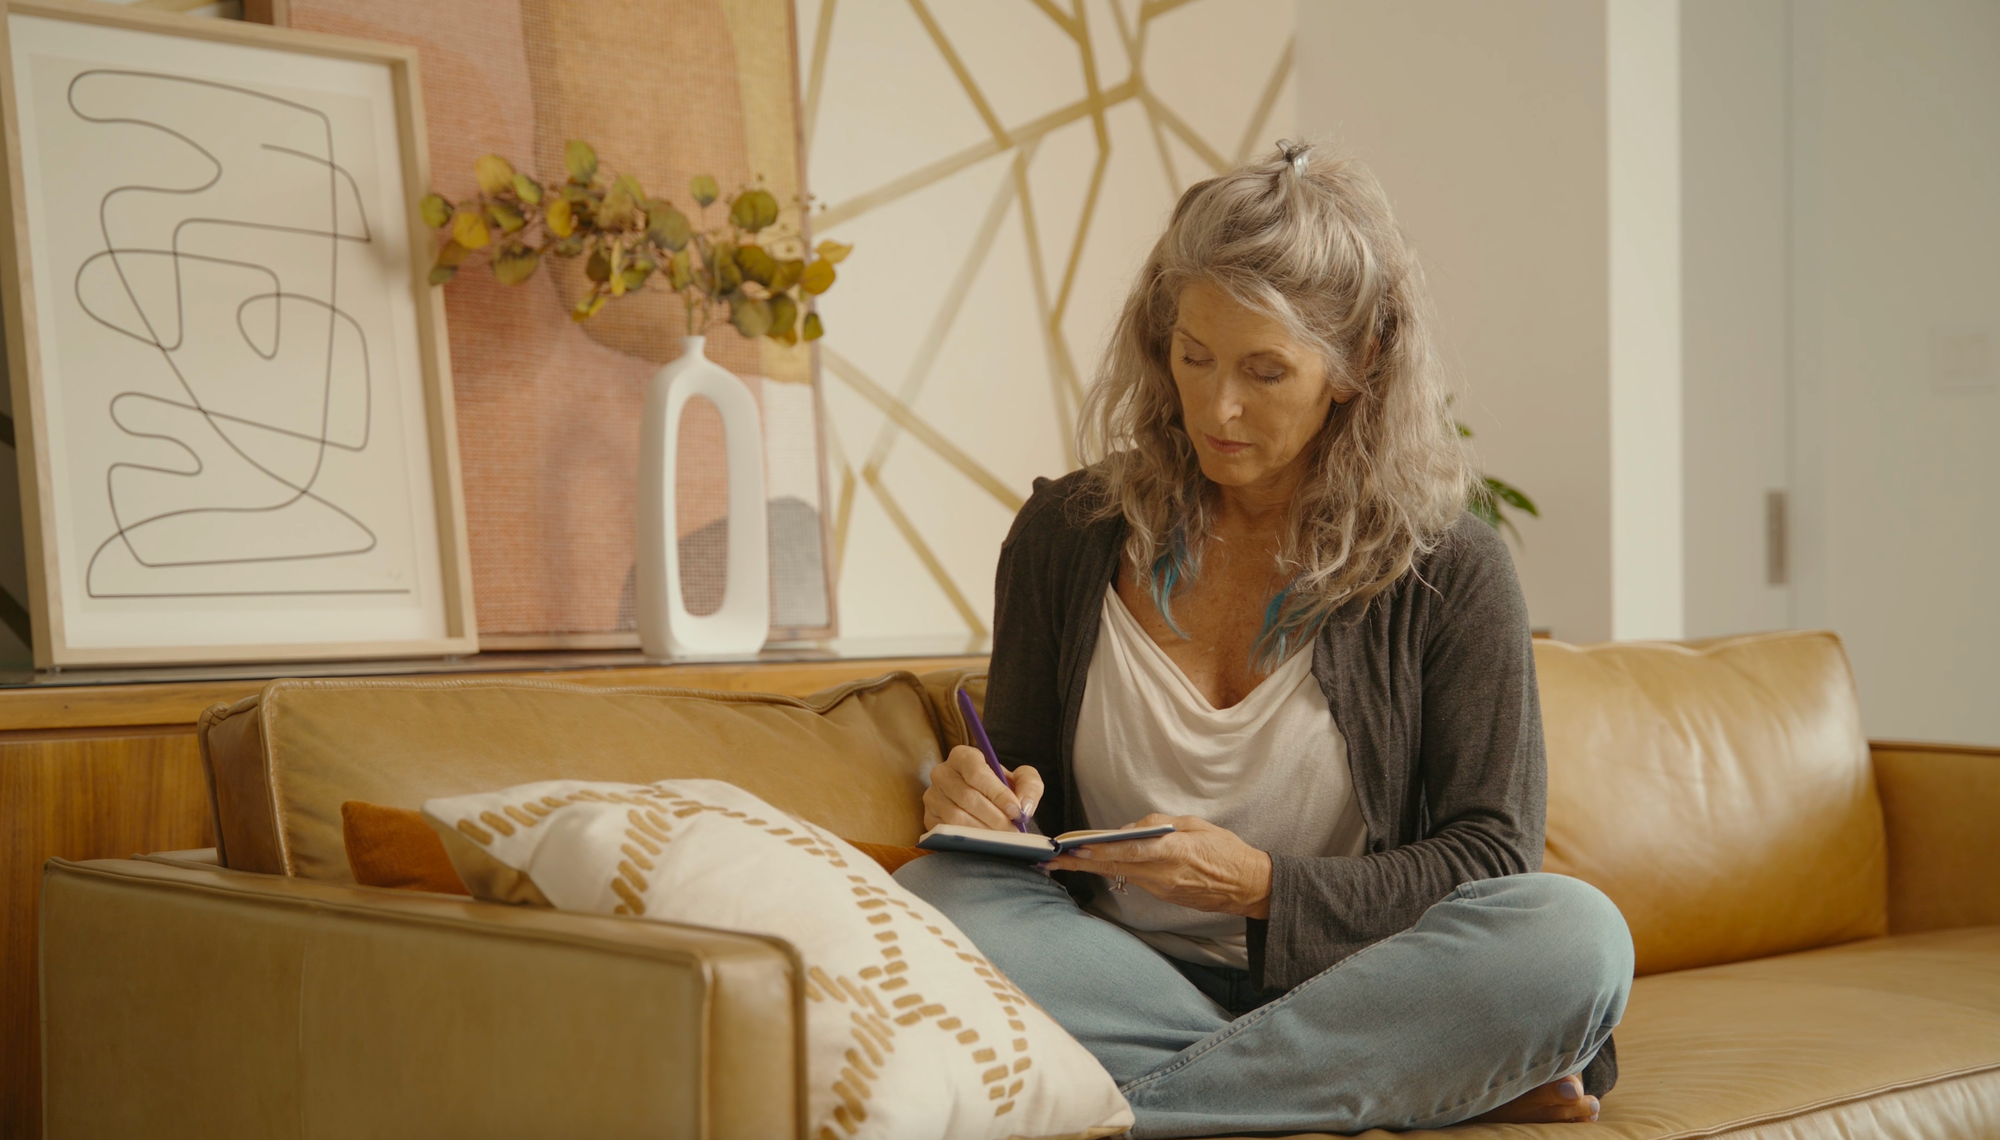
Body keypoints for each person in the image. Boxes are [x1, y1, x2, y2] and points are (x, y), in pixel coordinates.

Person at [895, 141, 1634, 1137]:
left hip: (1361, 983)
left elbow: (1489, 862)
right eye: (1192, 355)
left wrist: (1261, 888)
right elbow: (1021, 811)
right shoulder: (1065, 538)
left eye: (1263, 370)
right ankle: (1373, 1086)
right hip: (1121, 977)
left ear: (1357, 363)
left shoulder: (1449, 570)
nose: (1216, 407)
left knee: (1574, 940)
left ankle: (1139, 1111)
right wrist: (978, 803)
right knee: (932, 895)